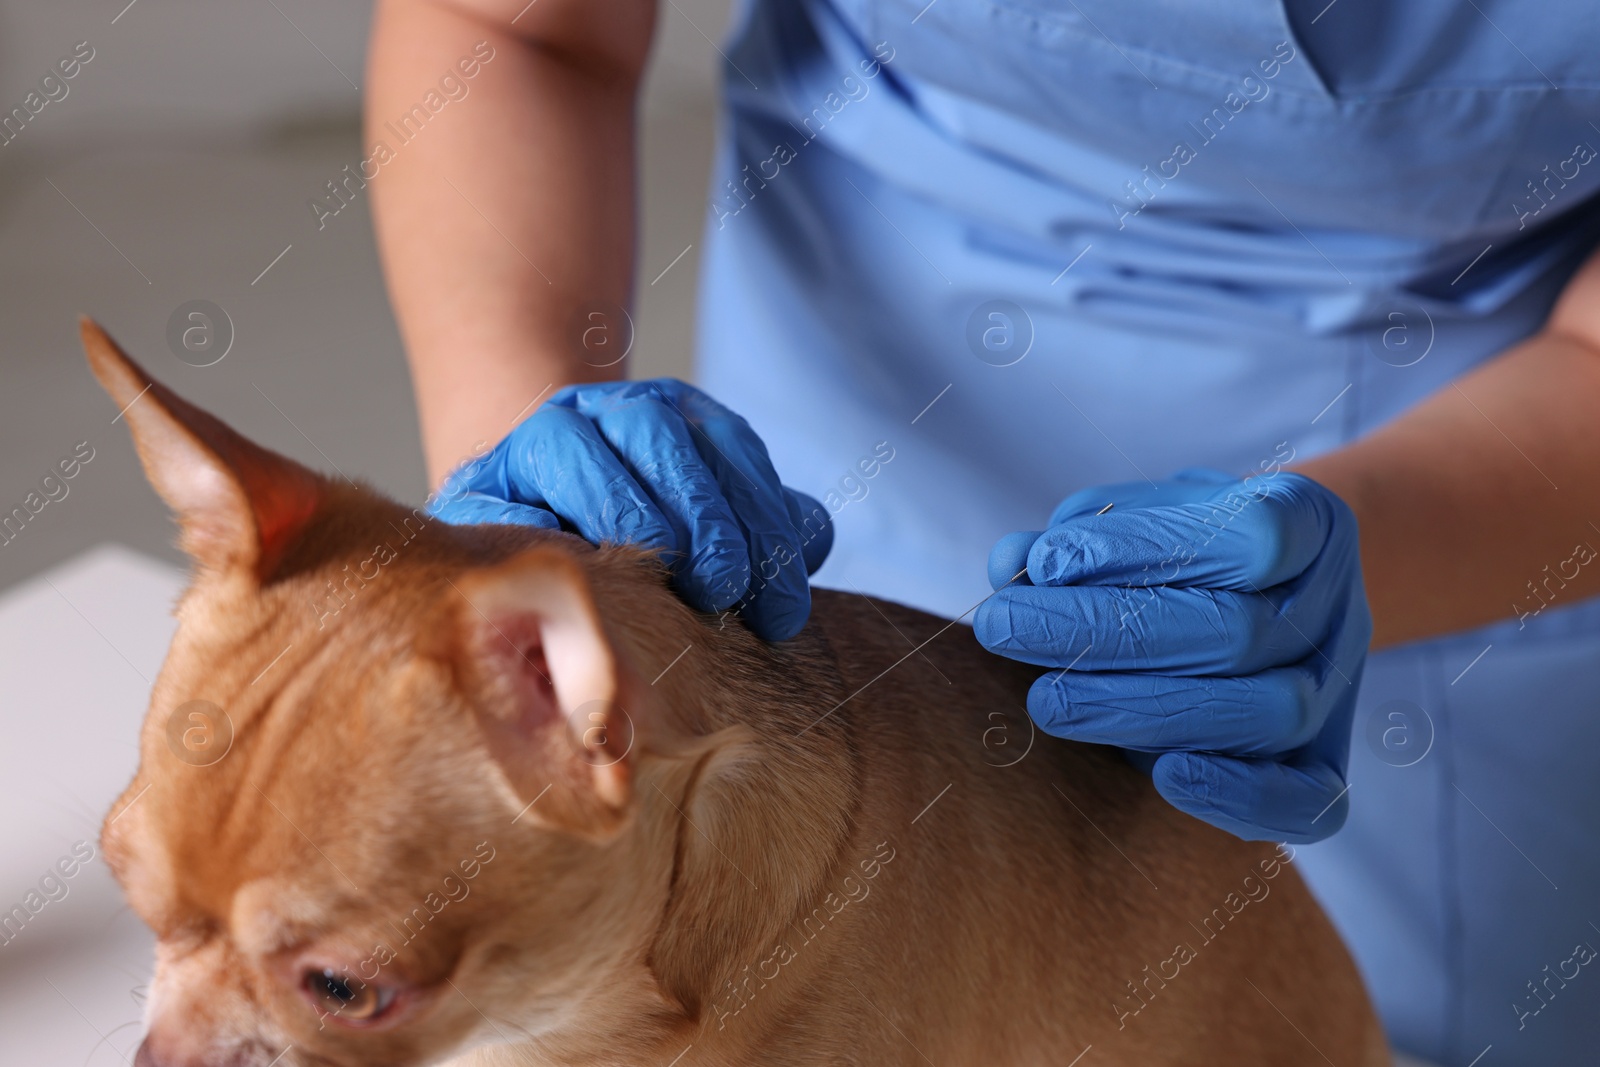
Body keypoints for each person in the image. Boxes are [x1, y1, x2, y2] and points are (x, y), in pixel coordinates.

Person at [365, 0, 1600, 1061]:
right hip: (853, 394)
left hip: (1487, 482)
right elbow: (516, 30)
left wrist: (1367, 553)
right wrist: (519, 470)